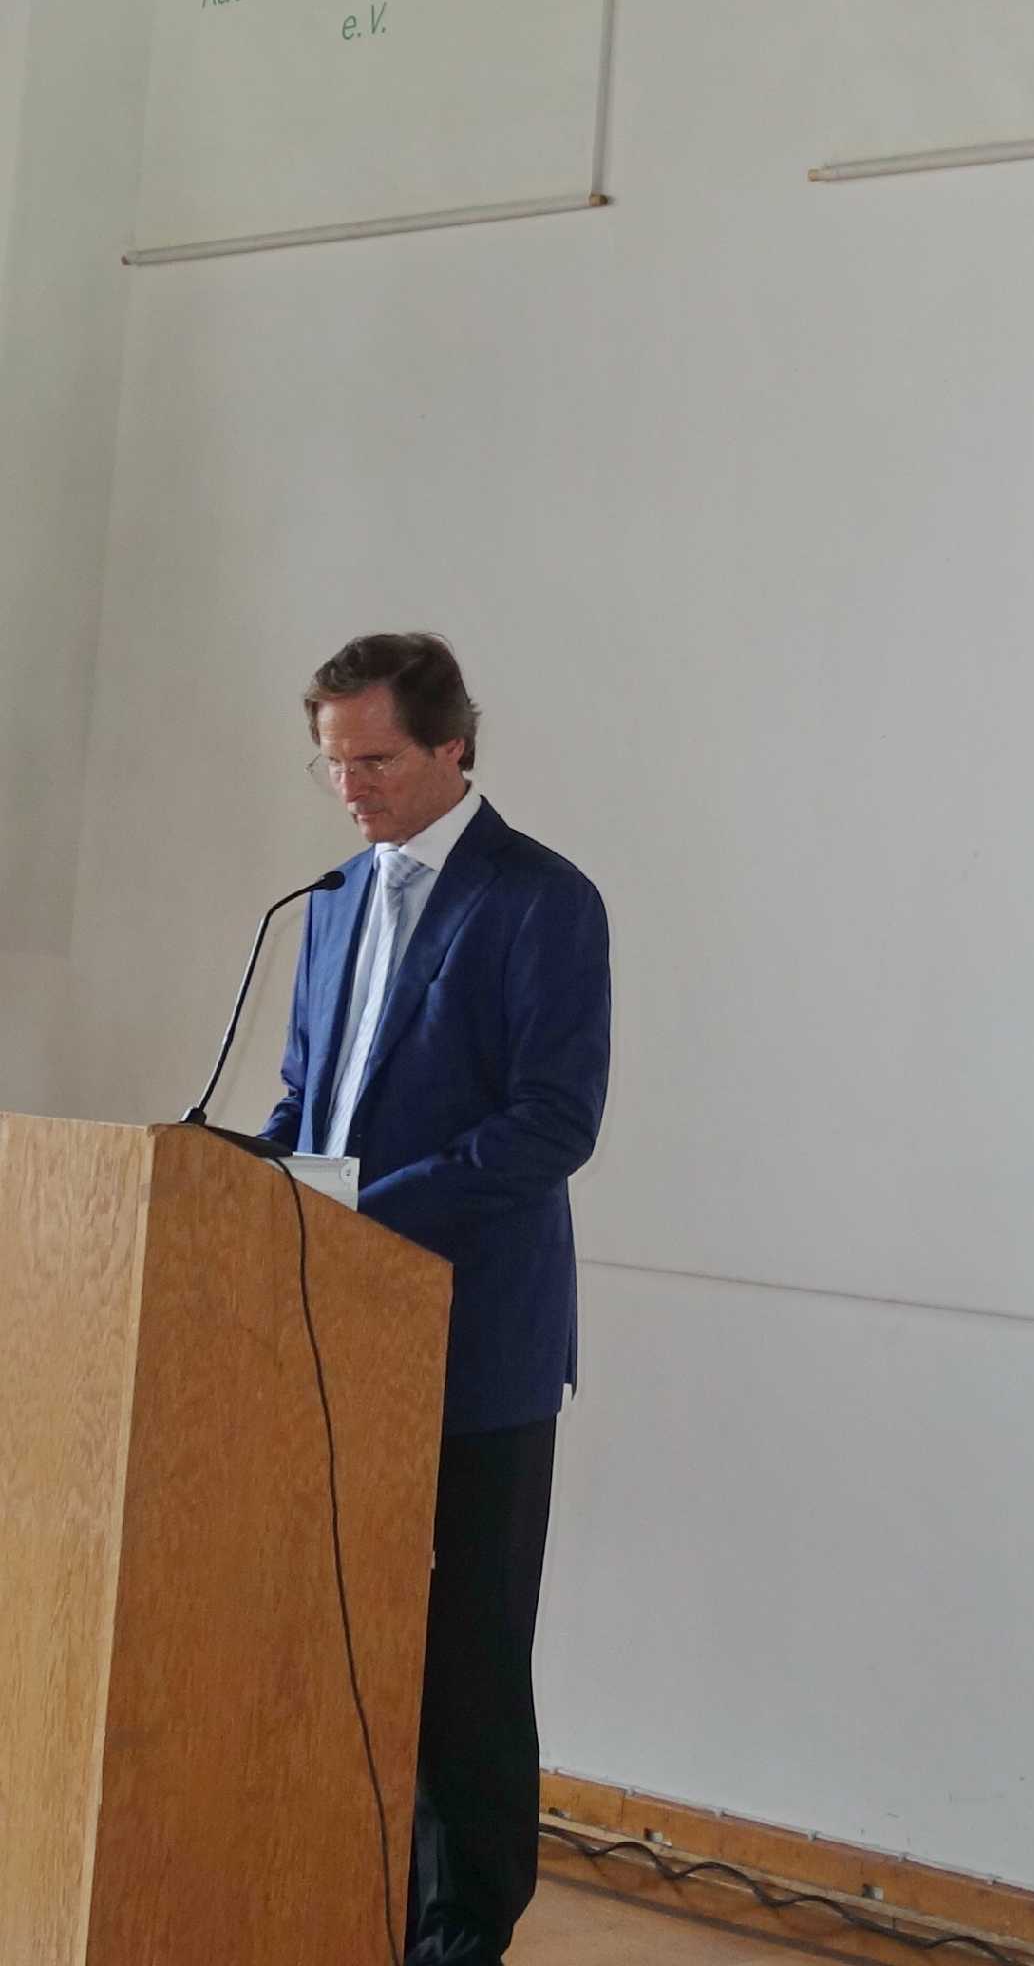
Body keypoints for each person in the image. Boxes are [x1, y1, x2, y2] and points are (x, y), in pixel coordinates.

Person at [265, 632, 612, 1966]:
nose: (349, 787)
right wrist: (245, 1179)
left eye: (376, 760)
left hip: (478, 1341)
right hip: (333, 1336)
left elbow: (552, 1123)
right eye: (331, 763)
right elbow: (309, 1105)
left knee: (468, 1648)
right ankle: (343, 1887)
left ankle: (463, 1928)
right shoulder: (331, 902)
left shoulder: (542, 900)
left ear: (453, 746)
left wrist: (362, 1211)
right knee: (342, 1630)